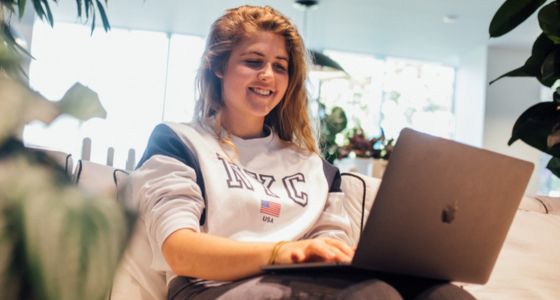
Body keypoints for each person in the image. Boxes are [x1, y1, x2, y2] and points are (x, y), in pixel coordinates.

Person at [125, 5, 474, 300]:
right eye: (253, 61)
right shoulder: (179, 142)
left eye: (280, 66)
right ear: (219, 67)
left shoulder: (315, 168)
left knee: (444, 295)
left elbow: (331, 246)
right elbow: (180, 251)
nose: (268, 76)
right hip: (209, 287)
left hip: (300, 283)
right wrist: (280, 252)